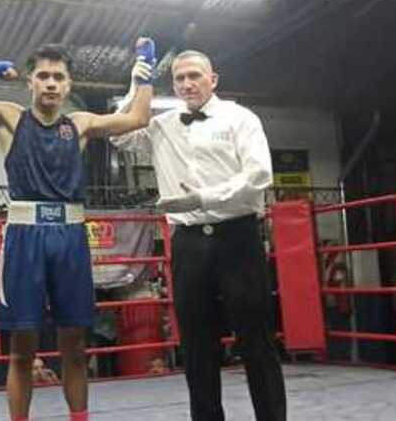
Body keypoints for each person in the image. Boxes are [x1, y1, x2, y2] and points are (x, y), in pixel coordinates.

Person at [0, 42, 154, 421]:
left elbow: (138, 119)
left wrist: (144, 70)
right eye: (44, 76)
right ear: (31, 81)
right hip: (25, 237)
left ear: (68, 85)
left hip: (69, 237)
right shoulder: (9, 116)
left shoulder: (79, 123)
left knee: (75, 344)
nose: (51, 84)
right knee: (22, 348)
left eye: (59, 77)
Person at [110, 50, 286, 421]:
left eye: (195, 75)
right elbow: (120, 136)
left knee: (256, 340)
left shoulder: (241, 118)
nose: (187, 84)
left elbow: (259, 177)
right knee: (196, 345)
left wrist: (204, 197)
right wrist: (135, 87)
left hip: (237, 236)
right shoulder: (162, 124)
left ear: (213, 79)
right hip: (188, 242)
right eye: (180, 78)